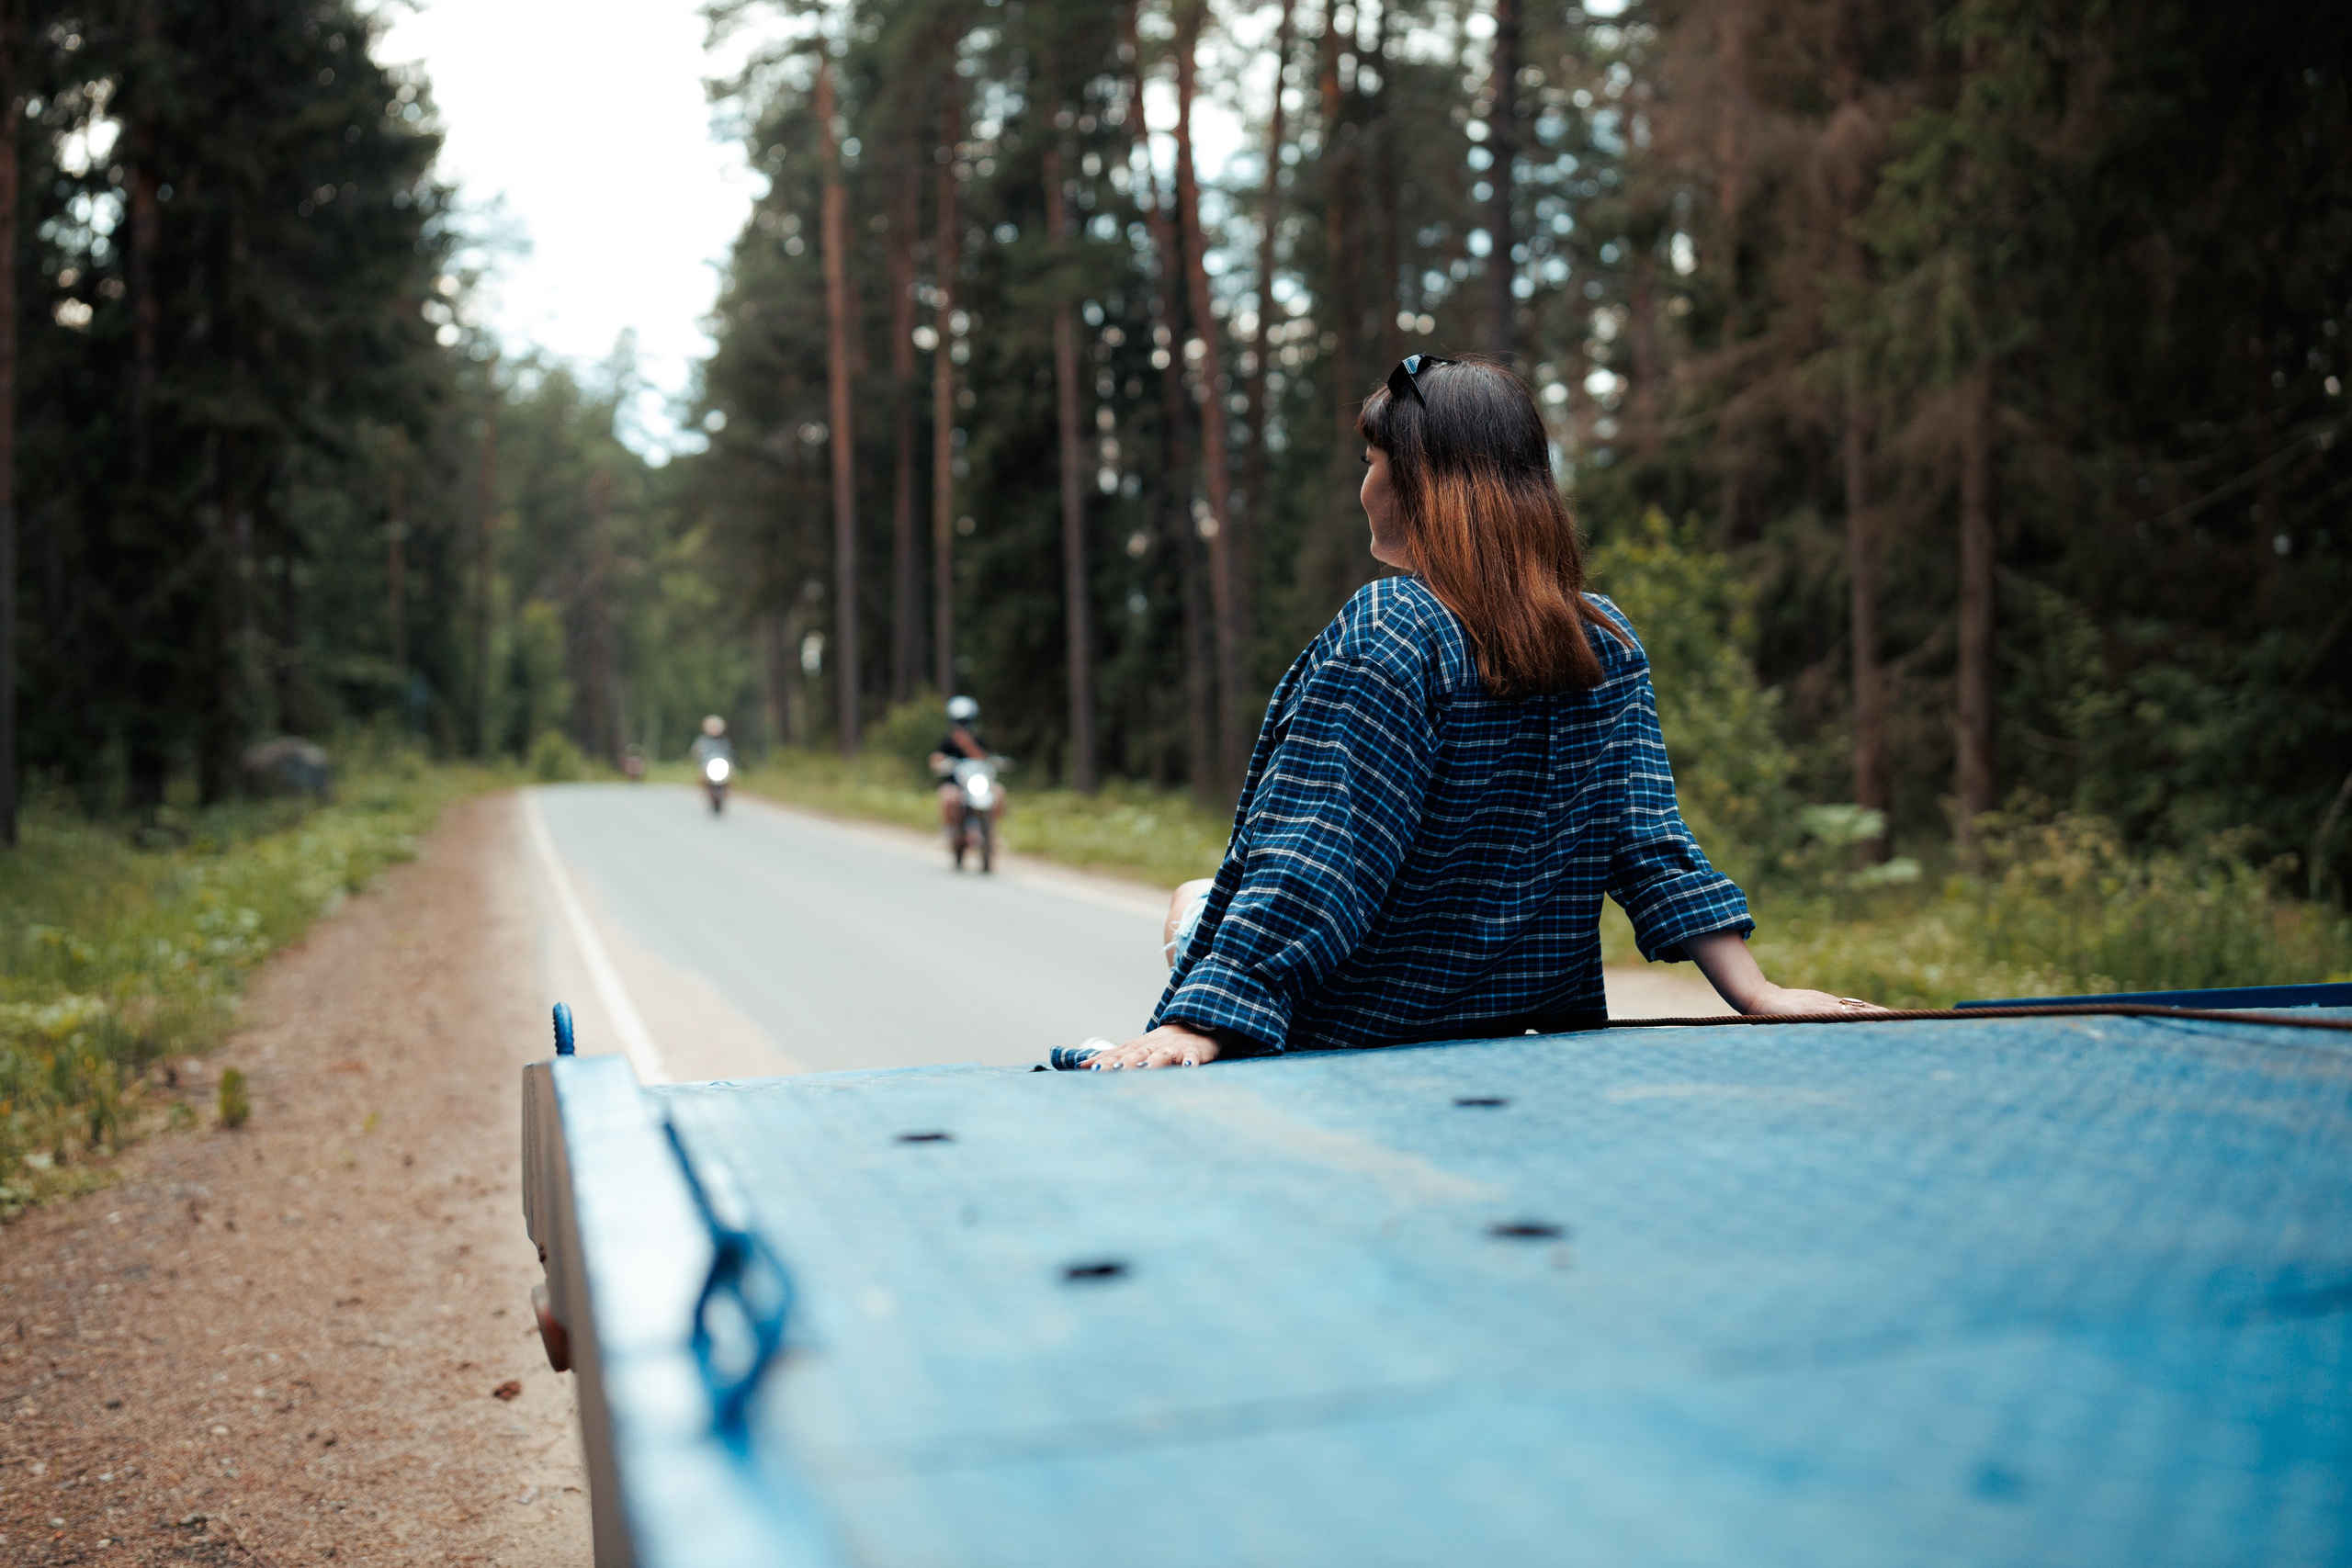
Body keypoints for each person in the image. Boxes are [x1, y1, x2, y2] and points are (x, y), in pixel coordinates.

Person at [1088, 355, 1880, 1071]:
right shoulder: (1603, 639)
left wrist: (1205, 1022)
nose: (1362, 485)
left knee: (1194, 898)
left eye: (1370, 463)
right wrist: (1755, 990)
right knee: (1202, 898)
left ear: (1417, 483)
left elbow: (1318, 850)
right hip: (1517, 1022)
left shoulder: (1393, 628)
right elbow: (1649, 840)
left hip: (1358, 1025)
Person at [928, 696, 998, 833]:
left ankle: (991, 831)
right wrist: (939, 763)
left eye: (965, 721)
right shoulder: (947, 740)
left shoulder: (977, 738)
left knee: (998, 794)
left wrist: (967, 743)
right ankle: (949, 829)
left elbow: (984, 757)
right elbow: (937, 757)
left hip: (977, 783)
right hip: (955, 784)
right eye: (959, 722)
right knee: (948, 798)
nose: (962, 725)